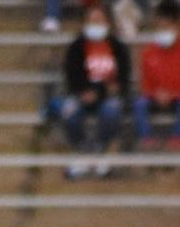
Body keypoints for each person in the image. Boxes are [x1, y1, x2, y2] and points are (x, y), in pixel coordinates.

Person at [58, 4, 131, 176]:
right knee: (68, 110)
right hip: (81, 95)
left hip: (108, 98)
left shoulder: (118, 47)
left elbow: (121, 81)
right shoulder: (76, 47)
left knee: (111, 110)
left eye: (99, 20)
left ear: (107, 22)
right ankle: (85, 148)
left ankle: (98, 149)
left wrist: (98, 93)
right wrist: (83, 92)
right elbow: (72, 76)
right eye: (92, 20)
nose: (96, 24)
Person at [133, 1, 180, 147]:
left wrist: (172, 94)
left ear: (176, 27)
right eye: (160, 28)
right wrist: (155, 93)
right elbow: (145, 82)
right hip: (154, 97)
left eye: (166, 27)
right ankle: (147, 140)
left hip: (177, 97)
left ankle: (176, 139)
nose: (163, 32)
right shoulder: (148, 52)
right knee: (139, 104)